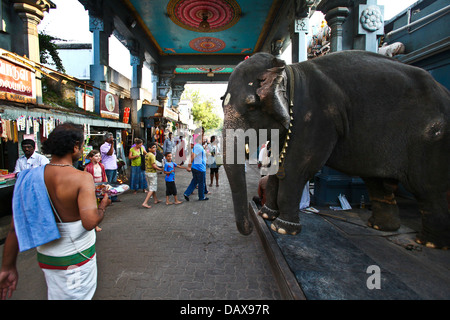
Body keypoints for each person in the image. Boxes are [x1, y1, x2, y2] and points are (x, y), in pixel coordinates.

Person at [0, 122, 110, 300]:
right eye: (81, 146)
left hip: (48, 258)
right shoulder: (82, 178)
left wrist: (7, 266)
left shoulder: (30, 177)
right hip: (75, 258)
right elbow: (90, 222)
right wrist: (103, 206)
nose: (82, 150)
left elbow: (16, 225)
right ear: (75, 147)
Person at [84, 150, 108, 232]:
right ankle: (95, 225)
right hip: (92, 188)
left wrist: (106, 185)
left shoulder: (102, 166)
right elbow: (85, 179)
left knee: (101, 205)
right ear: (91, 158)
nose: (98, 158)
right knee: (94, 207)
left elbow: (104, 176)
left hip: (101, 187)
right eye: (96, 156)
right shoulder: (87, 167)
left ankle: (97, 222)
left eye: (99, 156)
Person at [183, 133, 208, 201]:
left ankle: (187, 193)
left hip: (197, 167)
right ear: (199, 140)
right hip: (199, 168)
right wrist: (189, 166)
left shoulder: (198, 146)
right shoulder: (198, 147)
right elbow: (192, 156)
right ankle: (201, 197)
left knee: (194, 181)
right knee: (201, 183)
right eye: (203, 139)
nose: (204, 140)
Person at [142, 142, 163, 208]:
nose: (155, 148)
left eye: (155, 147)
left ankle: (155, 199)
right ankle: (145, 202)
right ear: (149, 148)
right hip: (152, 173)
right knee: (152, 188)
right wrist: (160, 169)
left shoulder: (147, 155)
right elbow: (154, 165)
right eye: (153, 147)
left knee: (151, 187)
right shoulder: (152, 155)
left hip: (147, 172)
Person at [100, 132, 119, 202]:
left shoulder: (111, 146)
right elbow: (110, 153)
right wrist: (112, 145)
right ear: (107, 139)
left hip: (113, 167)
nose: (112, 138)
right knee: (108, 184)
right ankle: (108, 198)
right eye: (111, 137)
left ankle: (114, 197)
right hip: (108, 167)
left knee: (114, 183)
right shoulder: (103, 146)